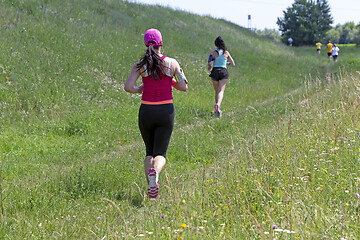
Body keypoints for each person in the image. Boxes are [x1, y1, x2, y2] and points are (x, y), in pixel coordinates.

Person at [124, 28, 188, 198]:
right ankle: (156, 174)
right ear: (161, 44)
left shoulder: (139, 66)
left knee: (149, 152)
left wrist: (139, 90)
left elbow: (128, 87)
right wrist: (171, 81)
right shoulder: (172, 63)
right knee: (160, 153)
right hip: (165, 111)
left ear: (146, 44)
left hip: (146, 111)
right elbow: (184, 87)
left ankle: (152, 189)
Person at [207, 36, 235, 117]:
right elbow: (233, 64)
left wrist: (210, 67)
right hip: (223, 72)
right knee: (221, 91)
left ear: (215, 44)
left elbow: (209, 62)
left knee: (216, 91)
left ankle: (217, 110)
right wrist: (226, 63)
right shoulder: (226, 53)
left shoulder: (212, 53)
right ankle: (218, 105)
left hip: (215, 71)